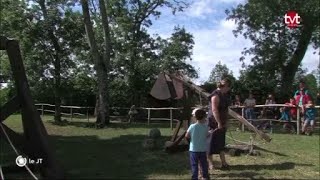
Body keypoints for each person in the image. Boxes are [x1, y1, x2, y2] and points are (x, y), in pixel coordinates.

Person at [207, 78, 232, 170]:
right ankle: (211, 164)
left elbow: (226, 109)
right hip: (213, 122)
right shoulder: (215, 95)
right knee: (210, 143)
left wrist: (226, 121)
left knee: (221, 142)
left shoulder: (224, 95)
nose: (228, 89)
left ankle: (224, 163)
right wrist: (218, 123)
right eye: (228, 87)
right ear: (225, 86)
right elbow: (214, 110)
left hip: (222, 121)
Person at [186, 108, 211, 180]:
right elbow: (207, 135)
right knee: (204, 164)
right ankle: (205, 177)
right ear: (204, 117)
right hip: (202, 149)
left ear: (195, 117)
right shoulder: (206, 127)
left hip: (193, 149)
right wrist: (209, 133)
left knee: (194, 165)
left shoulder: (192, 126)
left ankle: (194, 177)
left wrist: (190, 141)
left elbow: (187, 136)